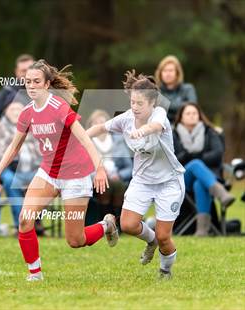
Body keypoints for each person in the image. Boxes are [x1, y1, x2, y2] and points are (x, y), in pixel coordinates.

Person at [0, 59, 119, 281]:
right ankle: (35, 274)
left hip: (76, 175)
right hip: (48, 173)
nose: (31, 86)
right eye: (28, 81)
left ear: (47, 84)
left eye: (36, 81)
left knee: (75, 240)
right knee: (25, 219)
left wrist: (99, 168)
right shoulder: (27, 112)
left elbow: (86, 140)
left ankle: (107, 224)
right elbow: (14, 146)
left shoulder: (59, 108)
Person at [87, 70, 185, 279]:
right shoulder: (126, 118)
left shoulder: (159, 114)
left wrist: (144, 130)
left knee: (164, 236)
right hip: (142, 180)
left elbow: (157, 125)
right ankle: (151, 242)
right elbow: (100, 128)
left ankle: (165, 271)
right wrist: (77, 137)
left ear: (151, 103)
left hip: (169, 182)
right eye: (132, 102)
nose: (135, 107)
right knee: (128, 224)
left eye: (140, 103)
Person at [0, 98, 41, 234]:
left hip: (31, 168)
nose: (16, 112)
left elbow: (41, 147)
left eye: (19, 109)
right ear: (5, 110)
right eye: (13, 109)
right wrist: (9, 151)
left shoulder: (32, 126)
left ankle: (34, 221)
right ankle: (23, 225)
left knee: (43, 182)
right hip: (6, 169)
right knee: (13, 182)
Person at [173, 103, 235, 236]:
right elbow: (173, 158)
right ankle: (220, 192)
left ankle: (202, 230)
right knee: (195, 163)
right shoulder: (173, 134)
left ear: (199, 116)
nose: (191, 116)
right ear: (181, 117)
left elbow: (218, 154)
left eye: (194, 113)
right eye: (188, 113)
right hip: (182, 179)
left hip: (206, 178)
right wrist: (192, 157)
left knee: (199, 183)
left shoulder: (210, 131)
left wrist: (196, 156)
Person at [84, 110, 133, 225]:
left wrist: (119, 175)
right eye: (95, 123)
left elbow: (129, 167)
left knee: (116, 184)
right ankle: (110, 221)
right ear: (90, 126)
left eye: (102, 122)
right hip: (95, 181)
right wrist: (98, 174)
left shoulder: (119, 141)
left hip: (117, 178)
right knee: (106, 185)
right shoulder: (87, 142)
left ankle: (112, 221)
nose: (98, 126)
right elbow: (84, 169)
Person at [155, 55, 197, 123]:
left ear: (177, 73)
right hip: (163, 127)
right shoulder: (156, 91)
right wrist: (181, 105)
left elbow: (192, 108)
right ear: (160, 73)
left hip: (184, 126)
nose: (167, 74)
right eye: (165, 71)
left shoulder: (188, 89)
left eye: (170, 70)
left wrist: (165, 104)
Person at [0, 54, 34, 120]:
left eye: (30, 69)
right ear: (17, 72)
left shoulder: (46, 90)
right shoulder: (8, 91)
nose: (27, 73)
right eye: (23, 71)